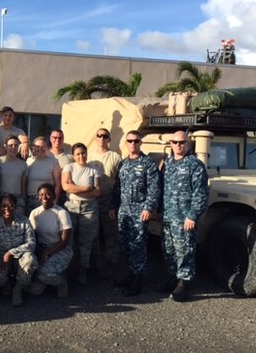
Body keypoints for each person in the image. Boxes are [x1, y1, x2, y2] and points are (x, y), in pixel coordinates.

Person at [158, 131, 209, 302]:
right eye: (175, 142)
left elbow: (201, 194)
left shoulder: (195, 165)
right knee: (169, 250)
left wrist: (193, 216)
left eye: (182, 142)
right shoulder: (168, 163)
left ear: (188, 144)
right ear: (170, 144)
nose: (179, 145)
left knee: (185, 251)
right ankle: (172, 277)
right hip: (167, 216)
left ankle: (184, 282)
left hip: (184, 218)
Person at [110, 130, 160, 297]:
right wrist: (113, 206)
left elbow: (154, 188)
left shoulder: (148, 164)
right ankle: (129, 275)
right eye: (130, 141)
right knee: (125, 245)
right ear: (126, 143)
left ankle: (138, 281)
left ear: (140, 143)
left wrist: (148, 208)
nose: (133, 143)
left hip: (140, 210)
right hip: (124, 211)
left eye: (136, 141)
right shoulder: (122, 164)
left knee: (138, 245)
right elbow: (117, 187)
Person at [0, 194, 38, 306]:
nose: (7, 209)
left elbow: (31, 243)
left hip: (20, 258)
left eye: (10, 205)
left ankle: (18, 289)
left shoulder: (24, 222)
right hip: (2, 261)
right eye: (3, 206)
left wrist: (11, 253)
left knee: (30, 259)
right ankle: (7, 283)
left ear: (15, 207)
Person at [61, 142, 101, 285]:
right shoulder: (69, 167)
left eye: (83, 153)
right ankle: (66, 270)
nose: (81, 156)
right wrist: (87, 187)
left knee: (86, 241)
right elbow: (65, 186)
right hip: (71, 207)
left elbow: (97, 191)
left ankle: (82, 270)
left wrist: (75, 188)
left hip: (89, 208)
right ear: (73, 155)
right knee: (68, 240)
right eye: (77, 154)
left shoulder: (94, 169)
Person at [87, 128, 122, 279]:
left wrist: (115, 203)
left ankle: (111, 265)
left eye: (105, 136)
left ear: (109, 139)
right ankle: (93, 265)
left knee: (110, 234)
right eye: (99, 136)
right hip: (92, 199)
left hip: (108, 199)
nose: (102, 138)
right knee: (92, 234)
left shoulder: (115, 157)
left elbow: (120, 180)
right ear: (96, 139)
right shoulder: (89, 156)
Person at [28, 183, 73, 298]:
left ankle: (62, 282)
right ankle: (53, 275)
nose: (44, 197)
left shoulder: (62, 213)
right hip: (42, 249)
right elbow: (32, 236)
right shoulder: (35, 213)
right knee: (35, 290)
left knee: (42, 275)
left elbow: (64, 240)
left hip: (59, 250)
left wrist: (48, 253)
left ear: (54, 196)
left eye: (48, 194)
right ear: (38, 197)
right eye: (41, 194)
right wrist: (40, 252)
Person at [26, 136, 61, 214]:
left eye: (43, 146)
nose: (40, 149)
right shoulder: (29, 161)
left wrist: (54, 201)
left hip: (47, 200)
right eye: (37, 146)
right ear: (33, 148)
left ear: (47, 148)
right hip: (30, 200)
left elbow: (58, 183)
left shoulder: (53, 162)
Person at [0, 135, 28, 217]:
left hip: (17, 199)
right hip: (1, 198)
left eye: (16, 145)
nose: (13, 148)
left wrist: (23, 199)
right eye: (10, 145)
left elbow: (23, 185)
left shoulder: (23, 165)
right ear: (5, 146)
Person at [49, 129, 74, 205]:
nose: (57, 140)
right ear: (50, 139)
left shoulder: (70, 156)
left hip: (65, 194)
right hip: (49, 191)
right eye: (55, 137)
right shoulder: (45, 155)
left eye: (60, 138)